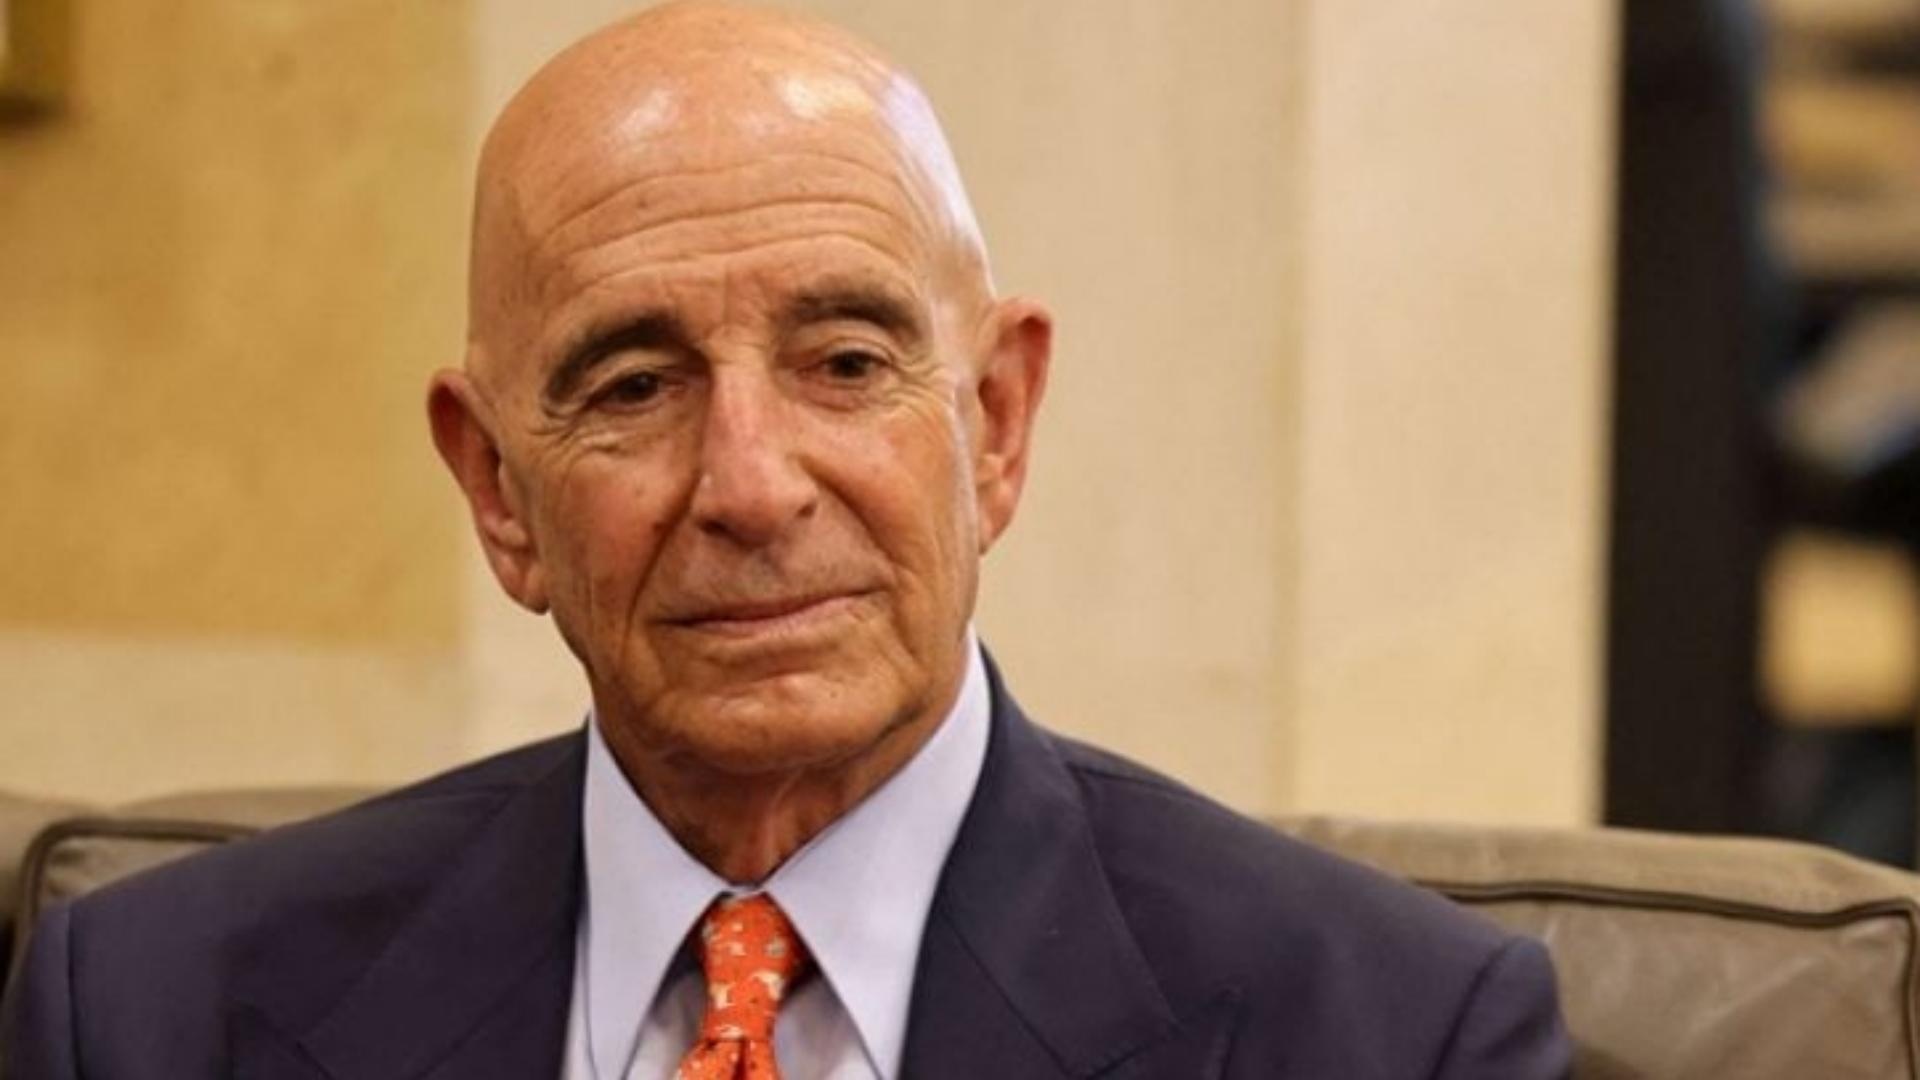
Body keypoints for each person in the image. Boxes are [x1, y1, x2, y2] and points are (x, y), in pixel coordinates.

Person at [0, 3, 1571, 1077]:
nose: (750, 487)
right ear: (497, 491)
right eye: (634, 386)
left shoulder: (1388, 1033)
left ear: (996, 424)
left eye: (844, 363)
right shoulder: (151, 1015)